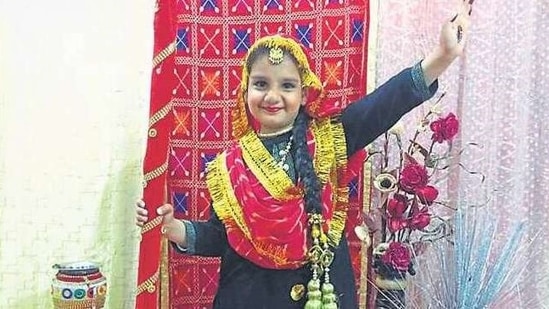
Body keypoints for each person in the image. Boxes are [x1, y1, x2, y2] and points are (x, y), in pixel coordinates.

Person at [136, 2, 473, 308]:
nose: (272, 96)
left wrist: (441, 56)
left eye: (287, 85)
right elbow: (222, 237)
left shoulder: (330, 139)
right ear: (245, 90)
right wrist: (174, 228)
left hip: (321, 295)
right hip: (249, 297)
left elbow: (385, 104)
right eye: (261, 84)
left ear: (304, 91)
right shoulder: (227, 168)